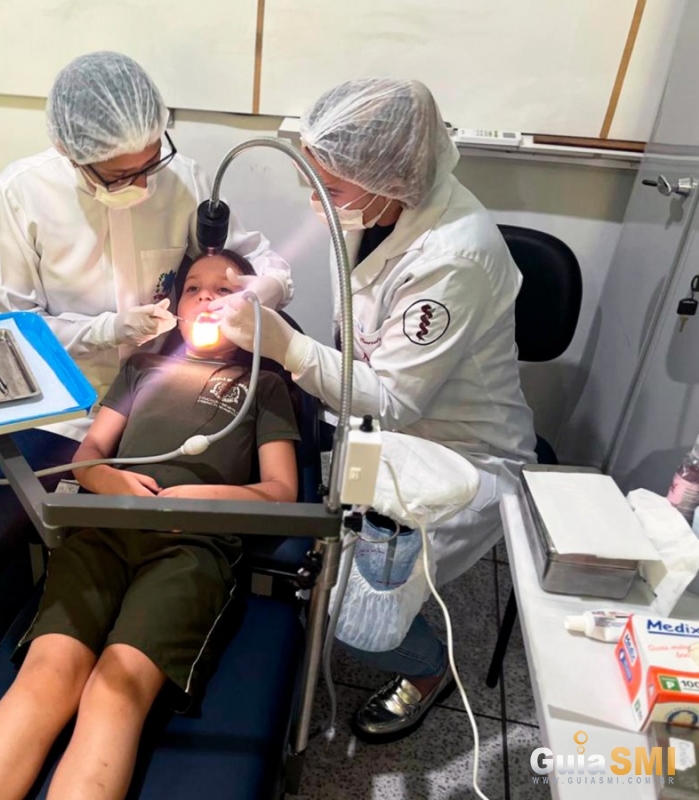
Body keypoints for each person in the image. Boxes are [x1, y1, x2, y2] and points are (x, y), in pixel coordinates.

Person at [216, 78, 537, 743]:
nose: (316, 200)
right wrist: (267, 297)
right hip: (381, 433)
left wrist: (285, 345)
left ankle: (427, 669)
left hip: (457, 459)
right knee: (325, 554)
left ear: (389, 177)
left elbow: (394, 397)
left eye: (329, 189)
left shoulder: (453, 258)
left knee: (345, 608)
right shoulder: (379, 212)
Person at [0, 252, 300, 800]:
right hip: (103, 529)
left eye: (225, 290)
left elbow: (281, 492)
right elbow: (88, 454)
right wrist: (107, 479)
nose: (206, 297)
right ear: (175, 306)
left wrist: (203, 498)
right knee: (46, 676)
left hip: (189, 550)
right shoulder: (142, 369)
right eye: (193, 288)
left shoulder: (262, 386)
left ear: (252, 308)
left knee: (116, 688)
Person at [0, 52, 291, 634]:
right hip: (65, 406)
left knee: (168, 535)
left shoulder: (184, 180)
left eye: (150, 162)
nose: (144, 185)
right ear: (71, 151)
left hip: (158, 398)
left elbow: (263, 262)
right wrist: (106, 330)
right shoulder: (20, 196)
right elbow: (14, 330)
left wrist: (260, 289)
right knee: (0, 546)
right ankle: (29, 647)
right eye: (120, 176)